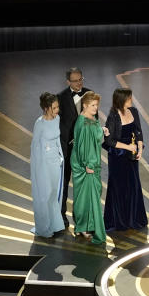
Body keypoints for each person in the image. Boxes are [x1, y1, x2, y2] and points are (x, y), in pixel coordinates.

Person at [103, 89, 147, 231]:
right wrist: (128, 147)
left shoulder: (133, 111)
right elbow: (109, 140)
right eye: (129, 98)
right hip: (118, 156)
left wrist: (139, 149)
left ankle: (134, 219)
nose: (131, 100)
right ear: (121, 100)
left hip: (131, 155)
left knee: (133, 186)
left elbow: (138, 131)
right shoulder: (113, 116)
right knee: (119, 188)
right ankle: (120, 221)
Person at [70, 92, 106, 244]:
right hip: (85, 165)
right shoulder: (83, 122)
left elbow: (94, 137)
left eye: (97, 105)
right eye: (93, 105)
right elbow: (83, 147)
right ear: (84, 105)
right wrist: (87, 165)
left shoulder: (91, 118)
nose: (96, 108)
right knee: (85, 197)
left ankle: (85, 225)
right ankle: (83, 226)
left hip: (92, 162)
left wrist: (102, 130)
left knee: (91, 195)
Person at [57, 67, 90, 227]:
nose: (79, 83)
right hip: (67, 149)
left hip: (84, 150)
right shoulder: (61, 97)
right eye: (75, 80)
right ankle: (61, 215)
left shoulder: (90, 95)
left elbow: (94, 119)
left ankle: (80, 218)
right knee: (64, 183)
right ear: (68, 82)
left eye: (81, 79)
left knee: (82, 185)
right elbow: (59, 125)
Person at [30, 92, 64, 238]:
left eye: (57, 107)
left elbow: (57, 140)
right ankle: (44, 227)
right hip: (43, 164)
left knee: (54, 193)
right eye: (54, 108)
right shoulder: (39, 124)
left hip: (55, 162)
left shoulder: (57, 119)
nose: (57, 110)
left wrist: (60, 157)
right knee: (44, 194)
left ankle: (55, 223)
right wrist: (37, 168)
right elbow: (35, 147)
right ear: (46, 108)